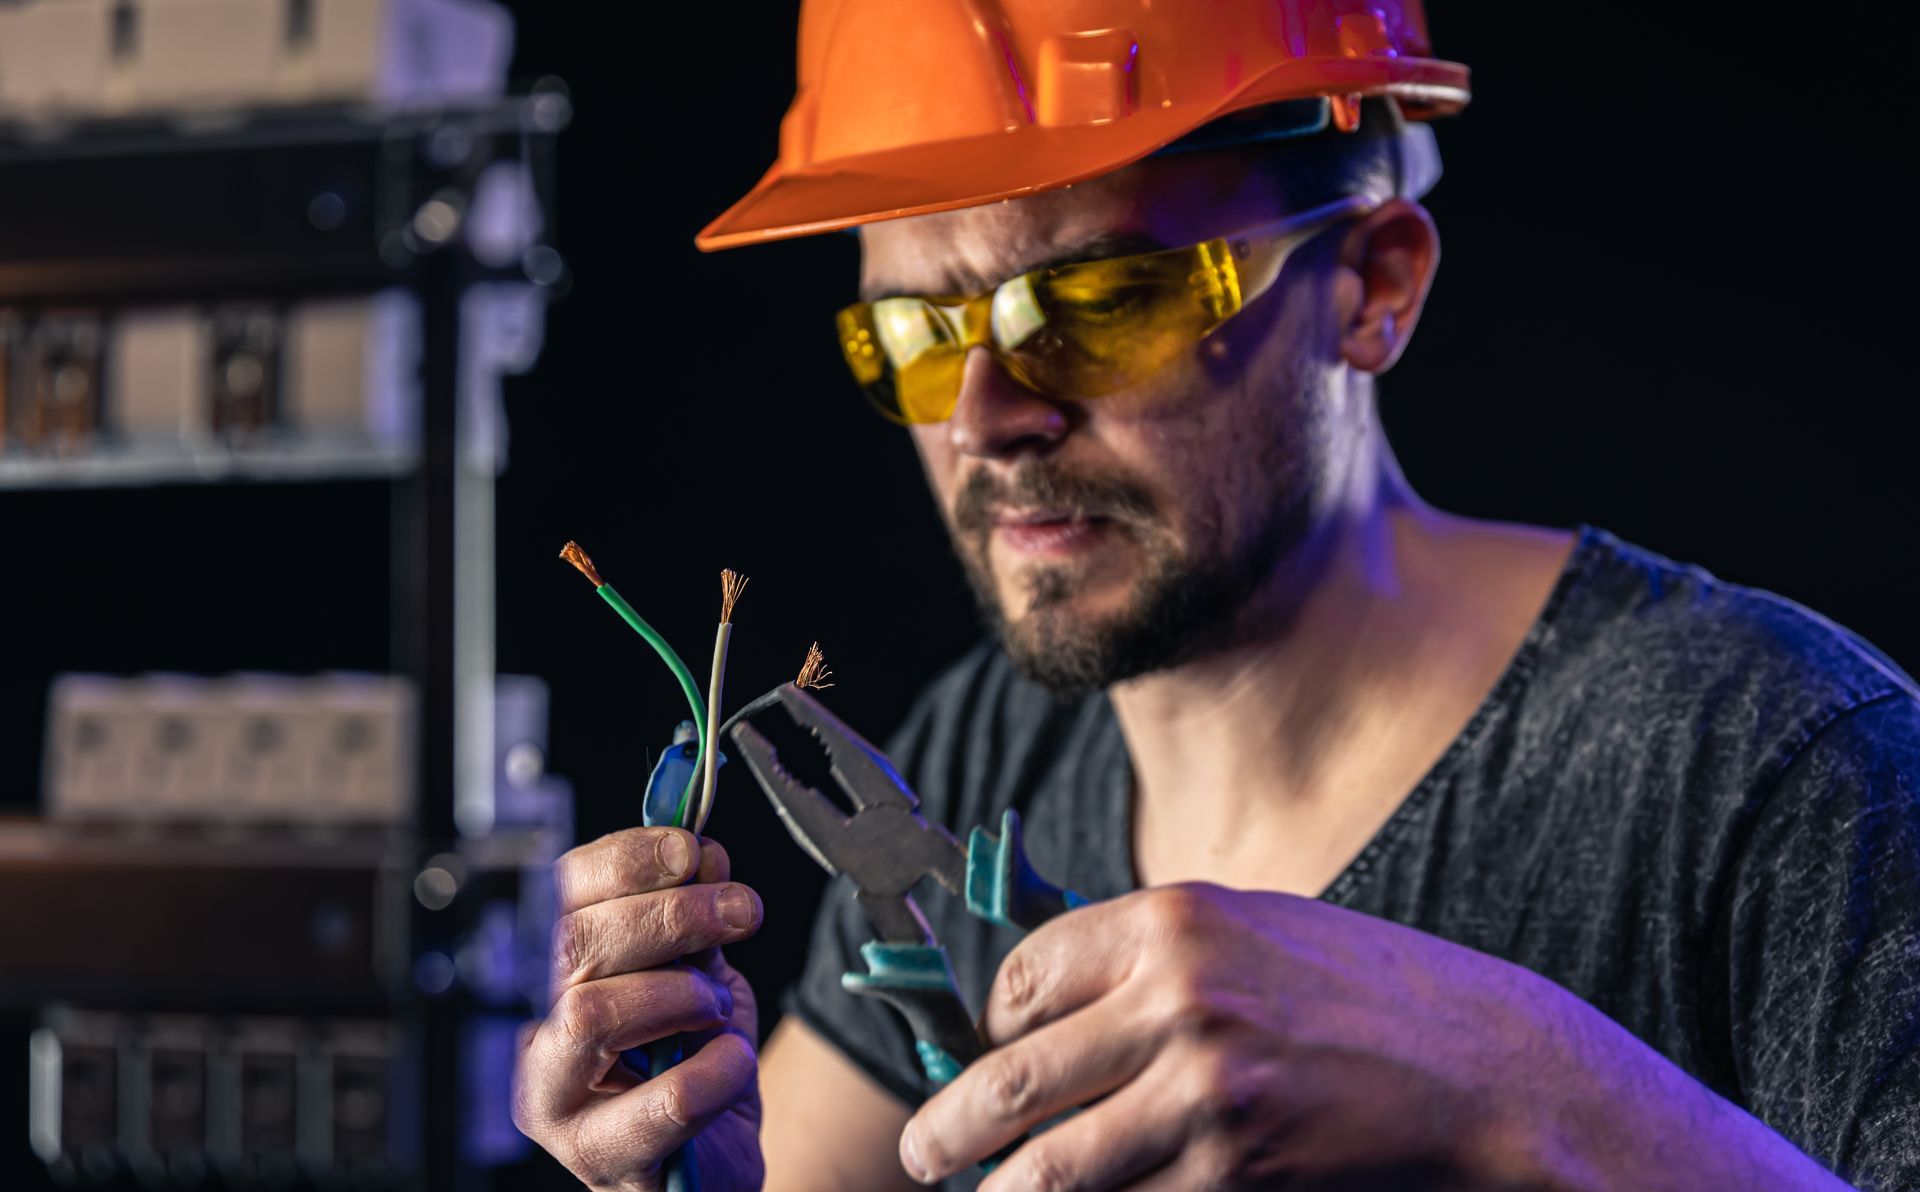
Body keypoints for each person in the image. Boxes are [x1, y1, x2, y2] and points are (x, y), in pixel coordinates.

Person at [510, 2, 1920, 1188]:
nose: (990, 417)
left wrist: (1530, 1093)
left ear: (1372, 283)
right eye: (917, 336)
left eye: (1104, 301)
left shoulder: (1777, 764)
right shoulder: (983, 755)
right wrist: (650, 1150)